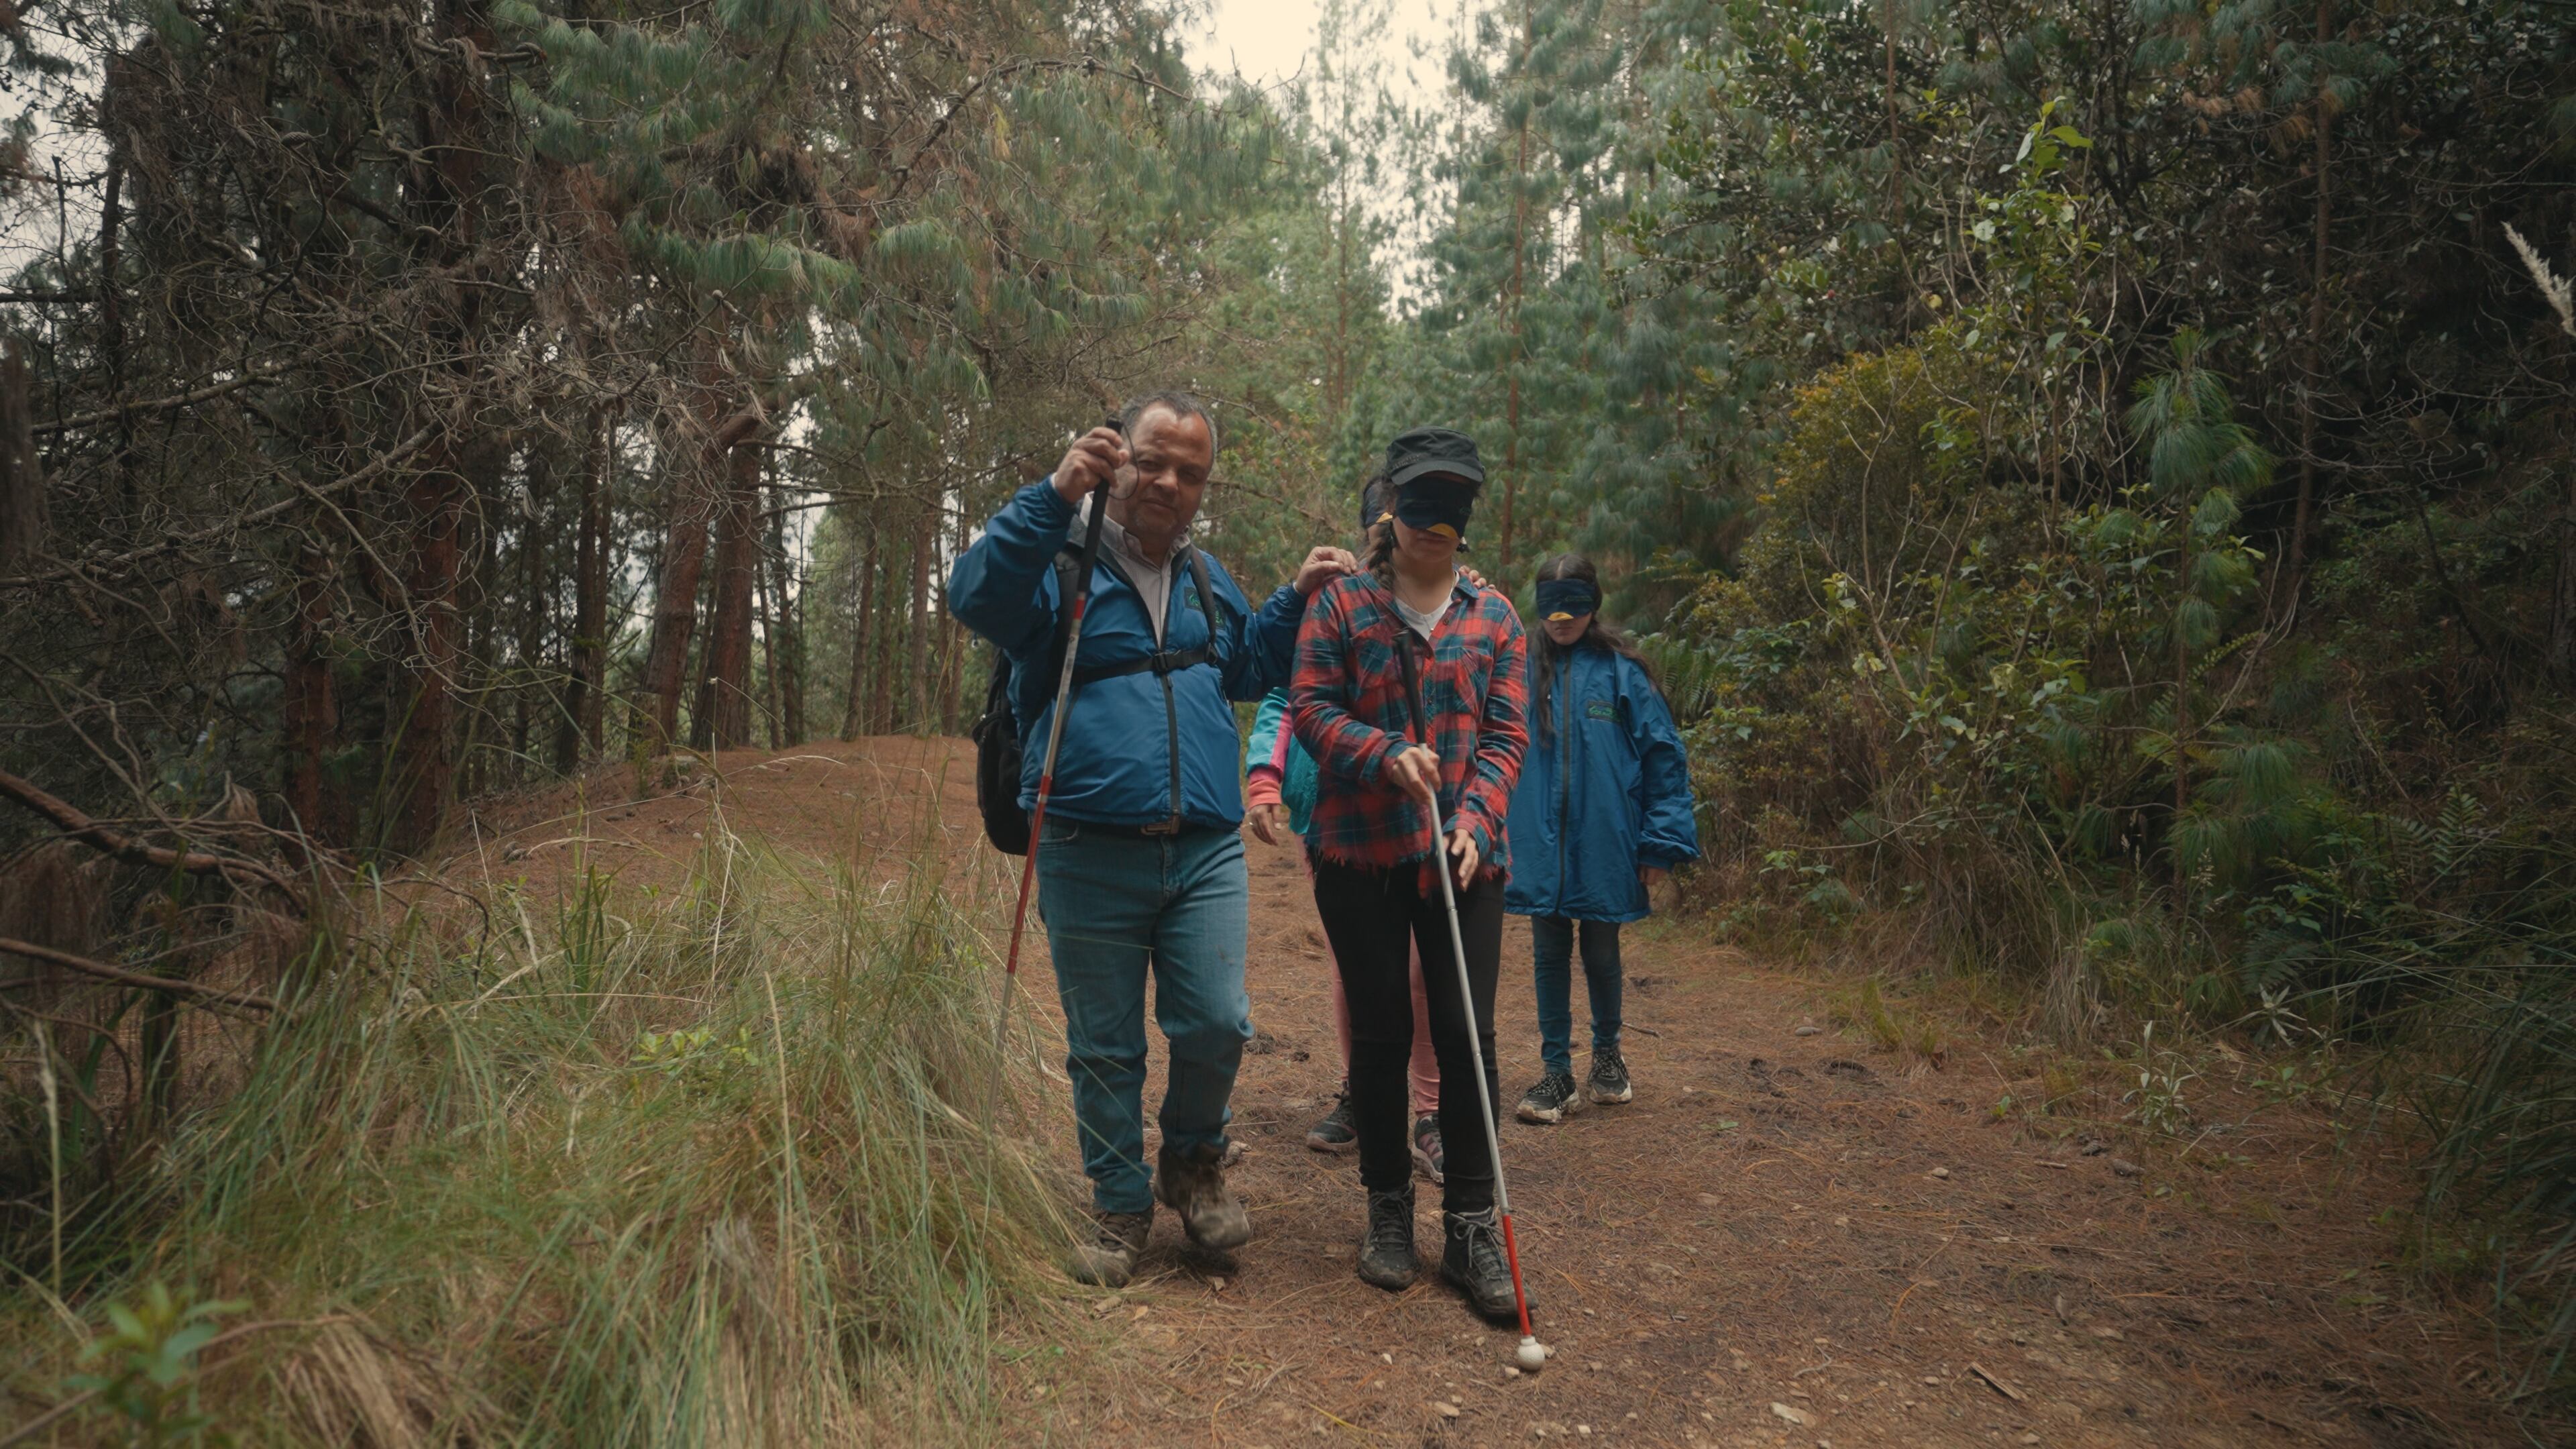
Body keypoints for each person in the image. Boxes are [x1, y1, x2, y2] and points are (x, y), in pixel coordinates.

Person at [949, 392, 1356, 1288]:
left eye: (1192, 472)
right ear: (1115, 456)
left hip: (1205, 845)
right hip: (1086, 842)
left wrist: (1297, 598)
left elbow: (1248, 665)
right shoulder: (1054, 566)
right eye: (1154, 460)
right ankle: (1119, 1201)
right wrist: (1053, 494)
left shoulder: (1208, 578)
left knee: (1215, 1021)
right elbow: (972, 597)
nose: (1170, 481)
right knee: (1106, 1045)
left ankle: (1193, 1160)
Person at [1290, 426, 1531, 1320]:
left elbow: (1508, 739)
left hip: (1465, 861)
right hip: (1358, 851)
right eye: (1421, 506)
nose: (1437, 526)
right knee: (1384, 1033)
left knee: (1468, 1036)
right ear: (1390, 509)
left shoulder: (1498, 617)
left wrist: (1474, 818)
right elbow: (1311, 708)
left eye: (1454, 508)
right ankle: (1388, 1208)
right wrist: (1379, 752)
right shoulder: (1341, 608)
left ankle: (1472, 1226)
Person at [1244, 478, 1444, 1184]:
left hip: (1423, 818)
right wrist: (1265, 779)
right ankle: (1364, 1095)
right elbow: (1282, 696)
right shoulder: (1329, 602)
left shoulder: (1446, 597)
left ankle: (1428, 1110)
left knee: (1423, 974)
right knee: (1355, 973)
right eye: (1379, 526)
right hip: (1335, 820)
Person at [1506, 553, 1700, 1124]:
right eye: (1551, 610)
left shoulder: (1623, 674)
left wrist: (1660, 844)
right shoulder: (1518, 669)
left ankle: (1608, 1055)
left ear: (1594, 606)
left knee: (1600, 951)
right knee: (1547, 954)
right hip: (1538, 844)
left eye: (1574, 607)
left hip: (1605, 842)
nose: (1562, 619)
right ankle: (1556, 1070)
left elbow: (1665, 760)